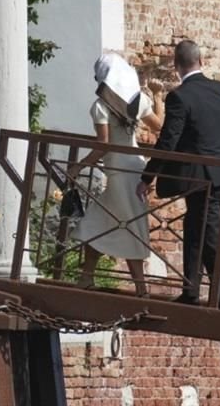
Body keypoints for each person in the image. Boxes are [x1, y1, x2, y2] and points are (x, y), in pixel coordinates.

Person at [136, 40, 220, 309]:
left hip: (201, 177)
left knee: (209, 232)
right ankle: (191, 291)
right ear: (202, 61)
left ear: (176, 67)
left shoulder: (179, 97)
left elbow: (168, 141)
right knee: (195, 227)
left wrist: (147, 178)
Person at [67, 53, 163, 297]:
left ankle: (141, 290)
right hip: (136, 168)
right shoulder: (139, 101)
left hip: (119, 172)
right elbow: (160, 126)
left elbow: (103, 145)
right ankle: (87, 276)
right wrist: (158, 96)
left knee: (128, 226)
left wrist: (78, 167)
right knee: (97, 222)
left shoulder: (99, 106)